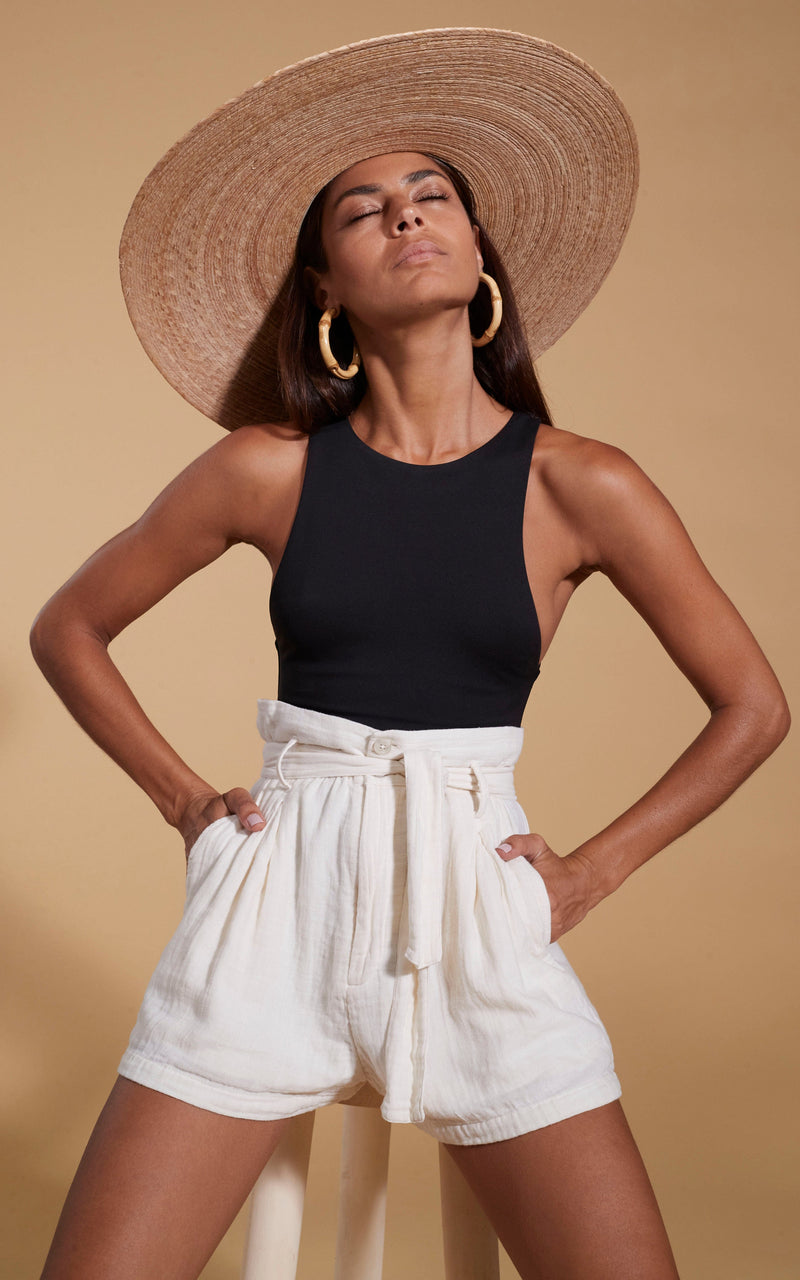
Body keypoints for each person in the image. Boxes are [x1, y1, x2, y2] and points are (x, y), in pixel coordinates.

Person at [30, 28, 789, 1280]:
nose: (405, 216)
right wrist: (187, 805)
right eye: (362, 210)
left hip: (476, 900)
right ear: (324, 283)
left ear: (478, 250)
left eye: (432, 195)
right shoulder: (264, 467)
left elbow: (752, 707)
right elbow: (67, 625)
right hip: (272, 899)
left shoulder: (580, 482)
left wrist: (586, 874)